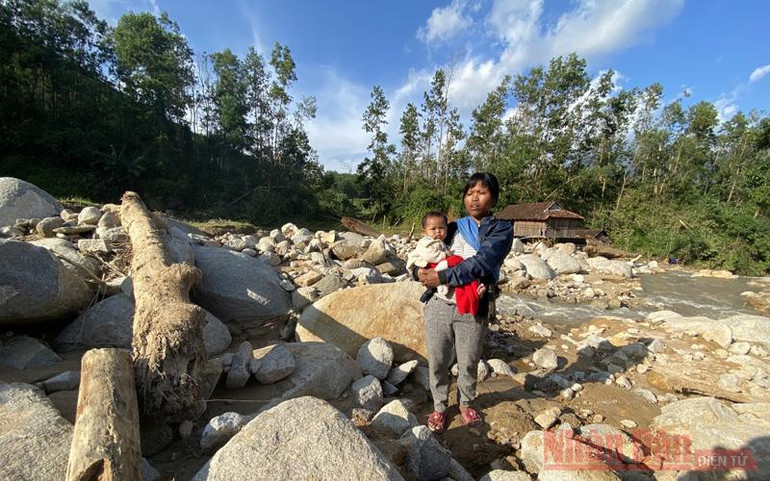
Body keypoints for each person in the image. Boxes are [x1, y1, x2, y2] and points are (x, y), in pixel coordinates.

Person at [414, 173, 513, 433]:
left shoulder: (502, 229)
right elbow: (426, 251)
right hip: (439, 304)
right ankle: (439, 406)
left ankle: (466, 402)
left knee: (468, 360)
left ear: (494, 197)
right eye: (470, 193)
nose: (474, 198)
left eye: (481, 192)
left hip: (474, 306)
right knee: (438, 360)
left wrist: (443, 276)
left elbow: (483, 262)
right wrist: (417, 273)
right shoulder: (453, 227)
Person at [406, 211, 485, 312]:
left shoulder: (442, 241)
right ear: (424, 232)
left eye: (441, 228)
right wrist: (445, 255)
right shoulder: (425, 242)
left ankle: (471, 293)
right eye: (433, 229)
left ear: (447, 228)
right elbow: (428, 255)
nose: (438, 231)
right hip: (428, 263)